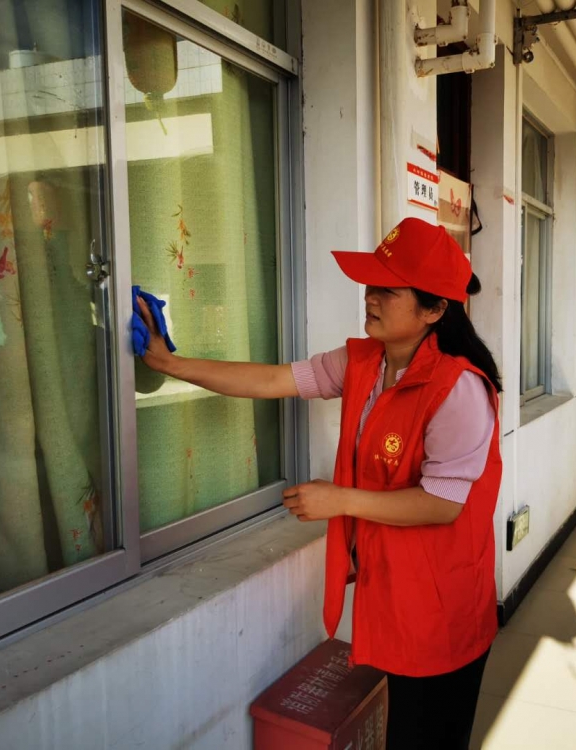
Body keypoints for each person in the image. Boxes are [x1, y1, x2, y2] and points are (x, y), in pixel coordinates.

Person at [136, 217, 502, 749]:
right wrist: (171, 364)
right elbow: (272, 379)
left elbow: (442, 504)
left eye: (388, 290)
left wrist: (339, 499)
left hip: (443, 603)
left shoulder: (459, 387)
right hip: (396, 590)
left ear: (434, 309)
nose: (370, 297)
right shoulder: (364, 362)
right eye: (370, 284)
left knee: (427, 735)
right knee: (404, 727)